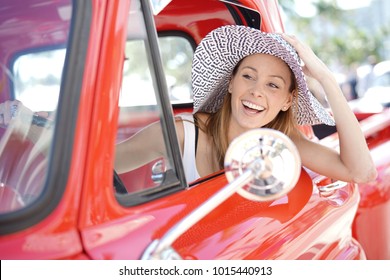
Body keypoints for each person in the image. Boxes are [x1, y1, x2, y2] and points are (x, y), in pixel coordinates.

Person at [0, 25, 377, 185]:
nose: (256, 91)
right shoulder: (183, 134)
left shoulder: (285, 145)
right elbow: (103, 165)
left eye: (273, 85)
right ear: (230, 83)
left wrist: (325, 78)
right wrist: (35, 126)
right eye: (247, 76)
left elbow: (360, 173)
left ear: (286, 102)